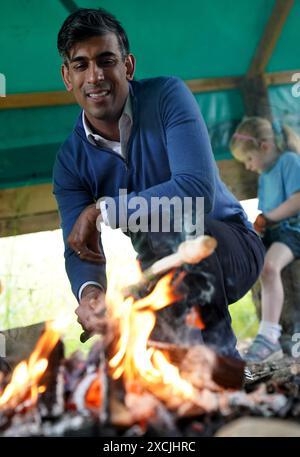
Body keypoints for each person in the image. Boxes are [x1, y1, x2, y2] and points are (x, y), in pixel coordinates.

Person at [53, 8, 265, 358]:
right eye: (81, 65)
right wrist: (90, 293)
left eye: (106, 60)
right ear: (67, 76)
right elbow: (79, 246)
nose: (95, 76)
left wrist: (102, 211)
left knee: (187, 241)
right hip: (158, 271)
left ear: (128, 66)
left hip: (228, 246)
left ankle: (221, 375)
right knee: (128, 326)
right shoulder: (68, 162)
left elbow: (196, 193)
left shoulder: (168, 95)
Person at [230, 116, 300, 363]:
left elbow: (297, 200)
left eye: (248, 159)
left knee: (269, 267)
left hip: (293, 231)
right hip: (274, 231)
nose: (248, 166)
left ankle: (268, 336)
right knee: (246, 258)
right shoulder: (264, 176)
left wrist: (267, 218)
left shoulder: (289, 162)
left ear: (265, 147)